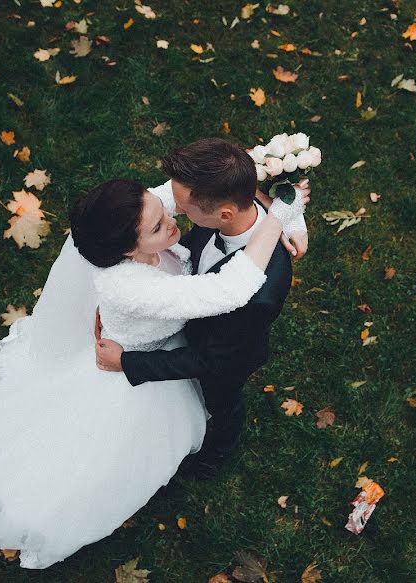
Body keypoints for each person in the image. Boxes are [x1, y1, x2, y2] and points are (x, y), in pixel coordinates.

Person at [0, 170, 308, 568]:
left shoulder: (140, 215)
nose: (173, 221)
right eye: (159, 226)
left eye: (163, 212)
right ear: (127, 251)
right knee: (108, 449)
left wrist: (260, 179)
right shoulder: (132, 285)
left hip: (152, 336)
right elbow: (227, 290)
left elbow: (190, 193)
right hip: (133, 363)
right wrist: (279, 213)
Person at [95, 138, 309, 478]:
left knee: (222, 404)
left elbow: (210, 360)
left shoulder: (259, 294)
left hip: (226, 359)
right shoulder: (230, 195)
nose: (172, 212)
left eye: (182, 208)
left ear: (223, 214)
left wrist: (127, 362)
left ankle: (216, 451)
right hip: (192, 319)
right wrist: (291, 217)